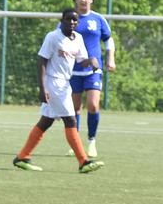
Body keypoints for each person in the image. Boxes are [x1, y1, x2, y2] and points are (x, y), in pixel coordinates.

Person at [13, 9, 105, 174]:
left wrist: (91, 61)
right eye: (68, 19)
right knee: (70, 121)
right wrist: (43, 88)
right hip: (52, 82)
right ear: (62, 20)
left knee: (46, 121)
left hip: (64, 84)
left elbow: (81, 61)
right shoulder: (53, 37)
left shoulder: (78, 38)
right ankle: (83, 161)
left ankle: (22, 156)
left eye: (75, 20)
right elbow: (42, 61)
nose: (72, 23)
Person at [68, 0, 115, 158]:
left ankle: (92, 140)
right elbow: (60, 39)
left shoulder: (98, 19)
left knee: (93, 105)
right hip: (73, 69)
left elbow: (108, 40)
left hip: (94, 69)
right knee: (74, 108)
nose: (82, 0)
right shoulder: (69, 18)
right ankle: (75, 143)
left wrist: (111, 58)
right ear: (75, 0)